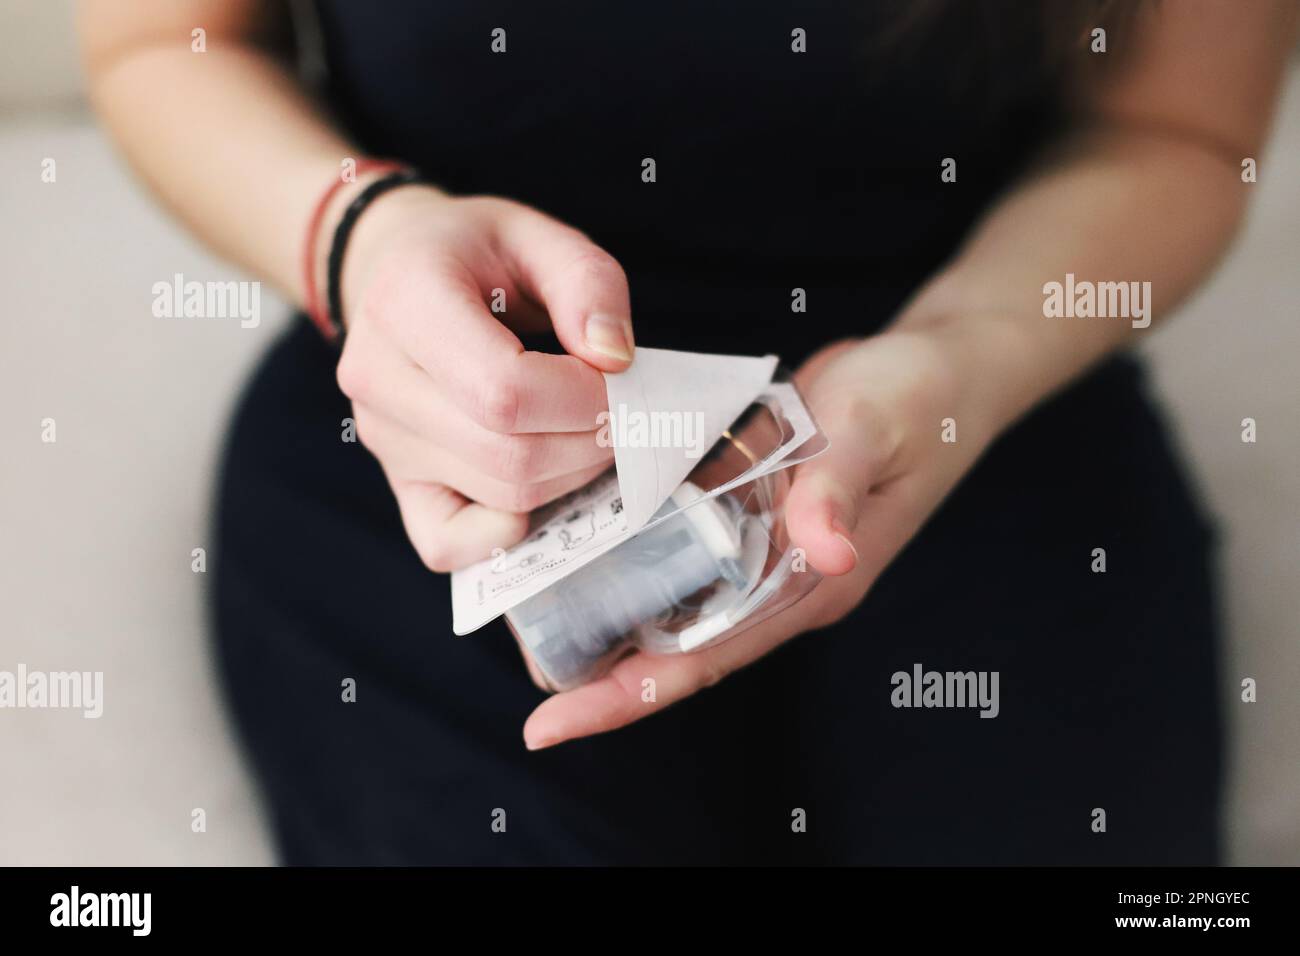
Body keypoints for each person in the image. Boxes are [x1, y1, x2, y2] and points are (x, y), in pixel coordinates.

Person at [79, 0, 1296, 864]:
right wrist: (365, 235)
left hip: (974, 401)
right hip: (442, 441)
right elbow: (161, 43)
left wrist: (963, 355)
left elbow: (1175, 127)